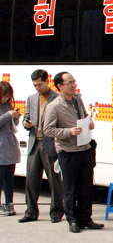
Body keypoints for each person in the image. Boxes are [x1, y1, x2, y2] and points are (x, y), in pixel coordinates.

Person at [43, 72, 104, 233]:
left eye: (73, 81)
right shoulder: (54, 106)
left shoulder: (77, 99)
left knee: (86, 186)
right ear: (59, 86)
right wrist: (68, 132)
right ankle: (72, 220)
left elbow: (84, 116)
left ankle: (85, 218)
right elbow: (48, 130)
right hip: (68, 151)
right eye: (69, 82)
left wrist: (89, 123)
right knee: (70, 188)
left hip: (84, 148)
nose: (73, 85)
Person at [18, 69, 64, 223]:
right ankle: (31, 211)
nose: (37, 87)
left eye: (39, 84)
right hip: (34, 142)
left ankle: (56, 212)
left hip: (50, 143)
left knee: (54, 179)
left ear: (47, 82)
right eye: (35, 85)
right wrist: (26, 123)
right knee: (31, 179)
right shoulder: (31, 99)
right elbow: (26, 116)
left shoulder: (56, 98)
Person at [0, 81, 21, 216]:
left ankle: (9, 203)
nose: (6, 99)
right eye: (4, 96)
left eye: (8, 96)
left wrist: (16, 117)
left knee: (10, 178)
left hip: (10, 146)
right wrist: (8, 115)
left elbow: (12, 125)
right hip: (1, 147)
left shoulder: (8, 105)